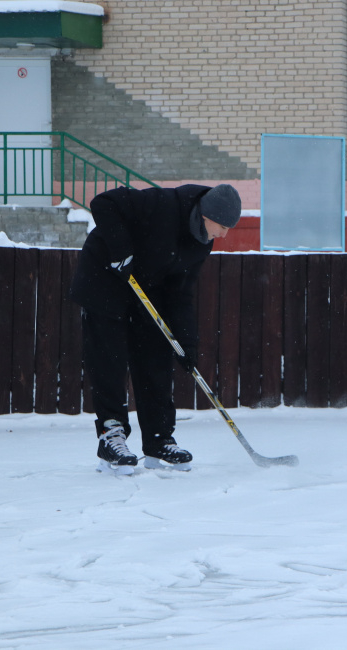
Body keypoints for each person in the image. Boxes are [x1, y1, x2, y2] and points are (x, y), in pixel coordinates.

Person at [70, 183, 241, 475]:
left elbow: (181, 293)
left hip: (146, 292)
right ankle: (112, 435)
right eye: (223, 226)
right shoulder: (162, 204)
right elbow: (104, 202)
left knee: (156, 361)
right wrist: (121, 249)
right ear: (206, 215)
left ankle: (159, 439)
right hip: (105, 279)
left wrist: (186, 343)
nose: (224, 234)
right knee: (109, 361)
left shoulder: (201, 242)